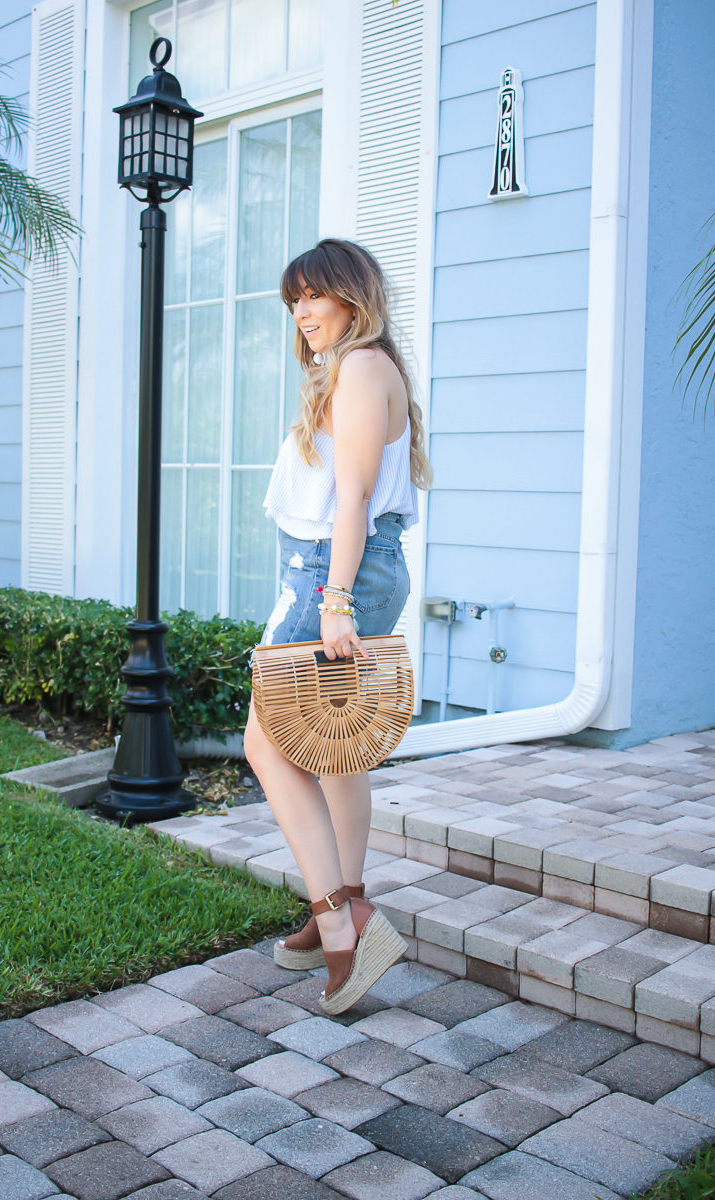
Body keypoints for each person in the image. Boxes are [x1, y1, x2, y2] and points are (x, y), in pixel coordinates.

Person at [243, 238, 433, 1014]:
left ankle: (338, 925)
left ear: (351, 296)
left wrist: (336, 600)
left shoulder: (359, 368)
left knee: (267, 740)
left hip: (330, 571)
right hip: (339, 567)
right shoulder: (361, 367)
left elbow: (350, 497)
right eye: (294, 300)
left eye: (312, 296)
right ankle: (347, 899)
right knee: (334, 750)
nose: (301, 312)